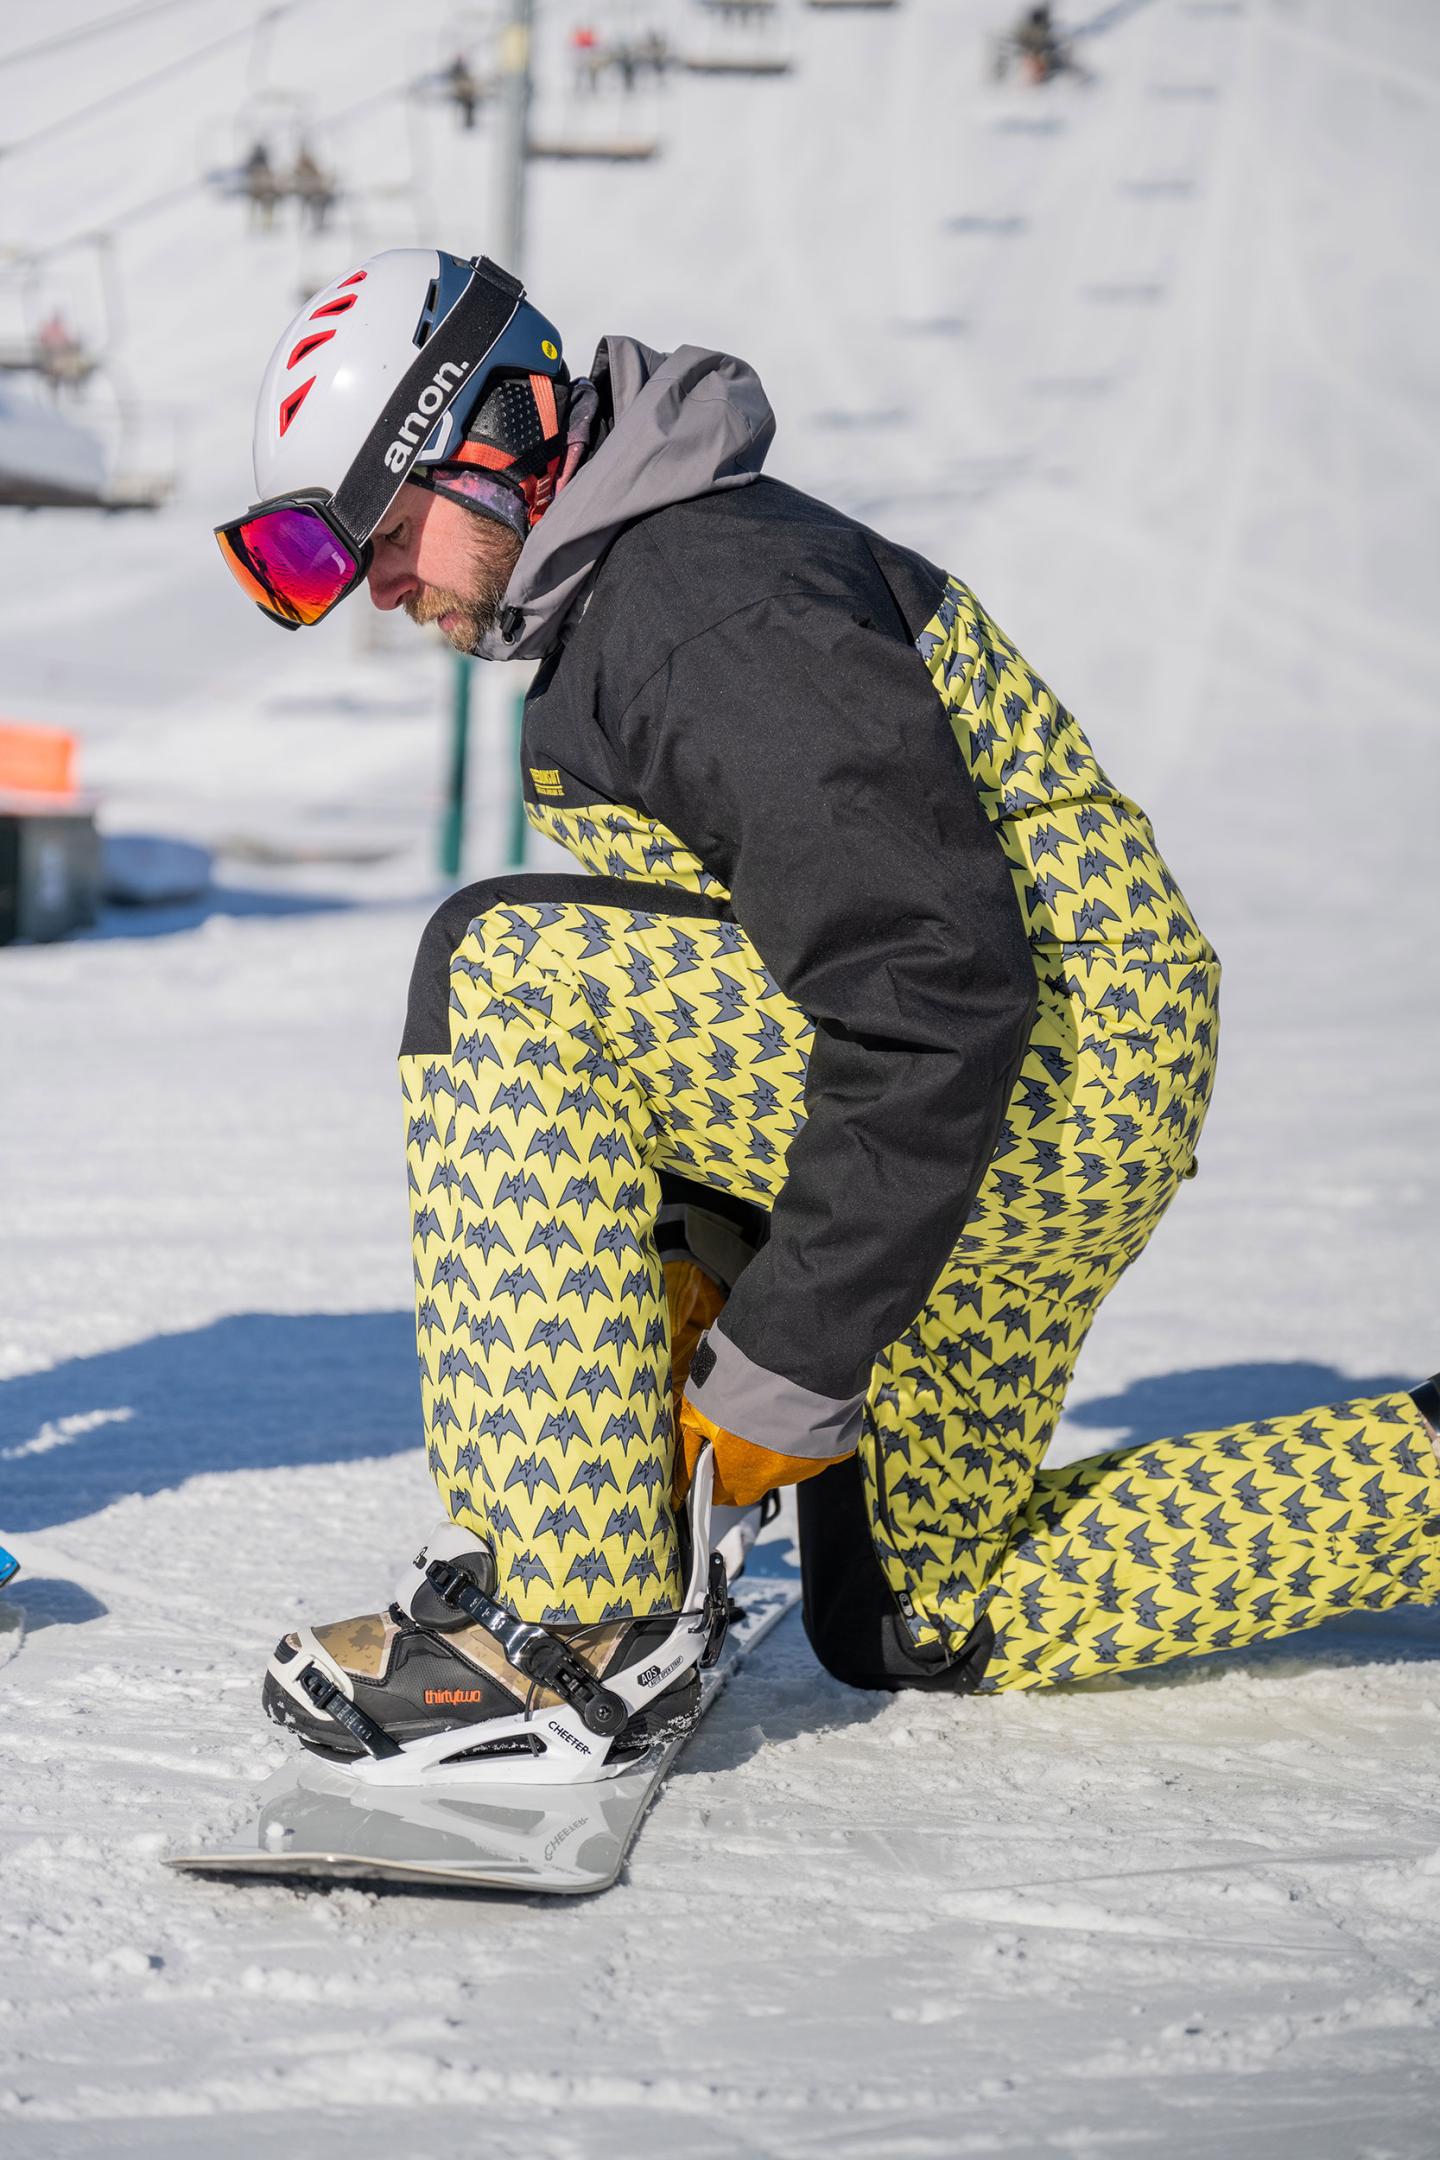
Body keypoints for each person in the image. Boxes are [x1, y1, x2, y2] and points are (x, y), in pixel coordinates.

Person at [215, 249, 1440, 1775]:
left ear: (502, 433)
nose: (379, 589)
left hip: (1032, 1071)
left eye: (384, 536)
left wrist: (789, 1345)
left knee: (507, 976)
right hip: (1062, 1096)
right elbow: (807, 965)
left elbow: (926, 980)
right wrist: (712, 1248)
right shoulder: (655, 604)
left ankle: (564, 1625)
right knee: (917, 1614)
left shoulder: (700, 607)